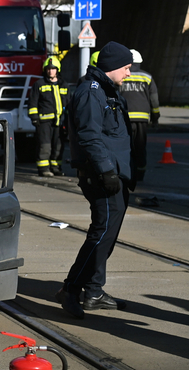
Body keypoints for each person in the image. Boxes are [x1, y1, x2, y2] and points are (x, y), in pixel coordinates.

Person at [57, 41, 138, 319]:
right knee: (101, 233)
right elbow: (89, 136)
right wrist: (106, 171)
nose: (128, 73)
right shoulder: (91, 92)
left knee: (107, 234)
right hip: (101, 176)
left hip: (114, 174)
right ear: (114, 66)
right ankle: (71, 289)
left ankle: (93, 290)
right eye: (126, 68)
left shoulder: (107, 90)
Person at [119, 49, 159, 181]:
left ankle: (126, 173)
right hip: (142, 119)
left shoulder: (121, 76)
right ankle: (139, 174)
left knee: (125, 146)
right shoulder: (147, 77)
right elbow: (154, 100)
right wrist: (155, 117)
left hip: (125, 118)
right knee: (140, 147)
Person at [28, 57, 69, 176]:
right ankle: (44, 168)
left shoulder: (64, 85)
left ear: (58, 70)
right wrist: (34, 117)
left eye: (53, 69)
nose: (51, 71)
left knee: (58, 145)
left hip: (60, 121)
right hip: (44, 122)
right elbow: (32, 102)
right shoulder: (39, 84)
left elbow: (69, 103)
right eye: (48, 69)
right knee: (45, 145)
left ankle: (56, 167)